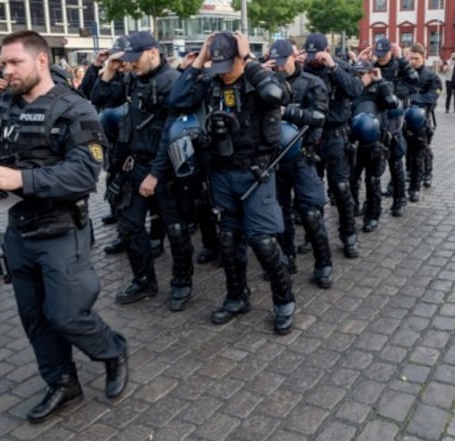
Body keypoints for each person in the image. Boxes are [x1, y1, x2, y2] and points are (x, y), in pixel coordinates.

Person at [0, 30, 128, 424]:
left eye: (15, 62)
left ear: (41, 61)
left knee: (66, 315)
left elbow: (84, 174)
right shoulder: (0, 107)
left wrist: (22, 181)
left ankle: (112, 351)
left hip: (62, 232)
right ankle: (62, 382)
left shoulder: (74, 109)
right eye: (2, 62)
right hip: (17, 233)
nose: (6, 70)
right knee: (35, 318)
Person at [170, 31, 297, 335]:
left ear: (241, 58)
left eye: (229, 63)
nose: (223, 71)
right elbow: (177, 100)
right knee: (228, 241)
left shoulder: (260, 80)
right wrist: (201, 60)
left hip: (256, 171)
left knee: (263, 242)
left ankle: (284, 300)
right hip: (222, 173)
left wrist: (250, 59)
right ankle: (237, 296)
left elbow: (276, 96)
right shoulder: (212, 81)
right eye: (218, 65)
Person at [90, 31, 183, 306]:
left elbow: (172, 135)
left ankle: (181, 282)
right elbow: (99, 98)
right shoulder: (132, 80)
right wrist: (109, 69)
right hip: (135, 163)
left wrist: (155, 173)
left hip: (166, 167)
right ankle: (144, 281)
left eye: (135, 58)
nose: (131, 64)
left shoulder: (174, 82)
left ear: (153, 52)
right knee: (129, 226)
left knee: (175, 230)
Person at [266, 39, 333, 289]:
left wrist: (287, 112)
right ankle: (286, 258)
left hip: (303, 155)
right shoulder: (267, 83)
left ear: (294, 58)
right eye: (275, 65)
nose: (280, 68)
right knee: (279, 213)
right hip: (275, 159)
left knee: (311, 213)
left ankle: (323, 263)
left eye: (283, 63)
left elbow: (319, 116)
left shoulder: (312, 83)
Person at [303, 32, 362, 259]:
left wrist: (333, 68)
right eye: (310, 55)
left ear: (326, 51)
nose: (313, 59)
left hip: (336, 136)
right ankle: (313, 235)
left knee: (341, 188)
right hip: (312, 136)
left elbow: (356, 90)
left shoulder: (341, 67)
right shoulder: (306, 69)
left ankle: (348, 235)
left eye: (316, 54)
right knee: (311, 192)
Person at [365, 37, 418, 218]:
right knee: (373, 164)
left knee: (395, 162)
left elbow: (413, 81)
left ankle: (399, 199)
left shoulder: (399, 66)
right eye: (377, 54)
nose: (380, 58)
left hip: (394, 118)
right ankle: (371, 202)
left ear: (390, 52)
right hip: (378, 117)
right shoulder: (373, 66)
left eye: (383, 54)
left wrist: (402, 59)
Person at [349, 61, 400, 233]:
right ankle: (352, 208)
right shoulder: (352, 89)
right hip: (354, 141)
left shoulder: (380, 88)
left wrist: (381, 82)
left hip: (374, 142)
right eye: (356, 74)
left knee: (373, 181)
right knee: (351, 179)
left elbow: (392, 103)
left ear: (371, 73)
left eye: (362, 74)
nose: (359, 78)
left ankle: (372, 215)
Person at [406, 43, 441, 194]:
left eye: (416, 58)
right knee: (408, 147)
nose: (413, 61)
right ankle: (409, 171)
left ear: (423, 57)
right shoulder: (405, 73)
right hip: (407, 116)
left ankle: (427, 173)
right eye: (411, 58)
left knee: (423, 147)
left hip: (423, 116)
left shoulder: (431, 76)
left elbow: (433, 96)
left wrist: (414, 99)